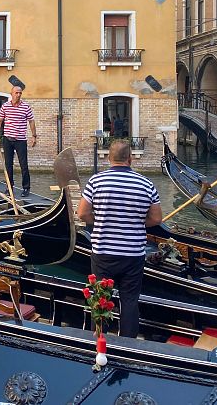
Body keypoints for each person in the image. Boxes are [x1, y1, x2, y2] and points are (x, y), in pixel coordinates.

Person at [77, 140, 162, 338]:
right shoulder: (146, 184)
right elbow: (157, 219)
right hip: (133, 254)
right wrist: (137, 222)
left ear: (109, 158)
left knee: (100, 300)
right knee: (130, 301)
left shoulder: (96, 181)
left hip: (104, 252)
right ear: (130, 158)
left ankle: (99, 343)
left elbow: (82, 214)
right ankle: (128, 346)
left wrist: (98, 221)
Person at [0, 85, 36, 197]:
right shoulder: (5, 106)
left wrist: (34, 136)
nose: (18, 95)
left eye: (20, 93)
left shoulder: (26, 107)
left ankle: (26, 188)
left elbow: (31, 121)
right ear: (11, 93)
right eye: (16, 93)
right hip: (7, 139)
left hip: (21, 140)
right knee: (8, 165)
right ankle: (9, 187)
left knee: (24, 165)